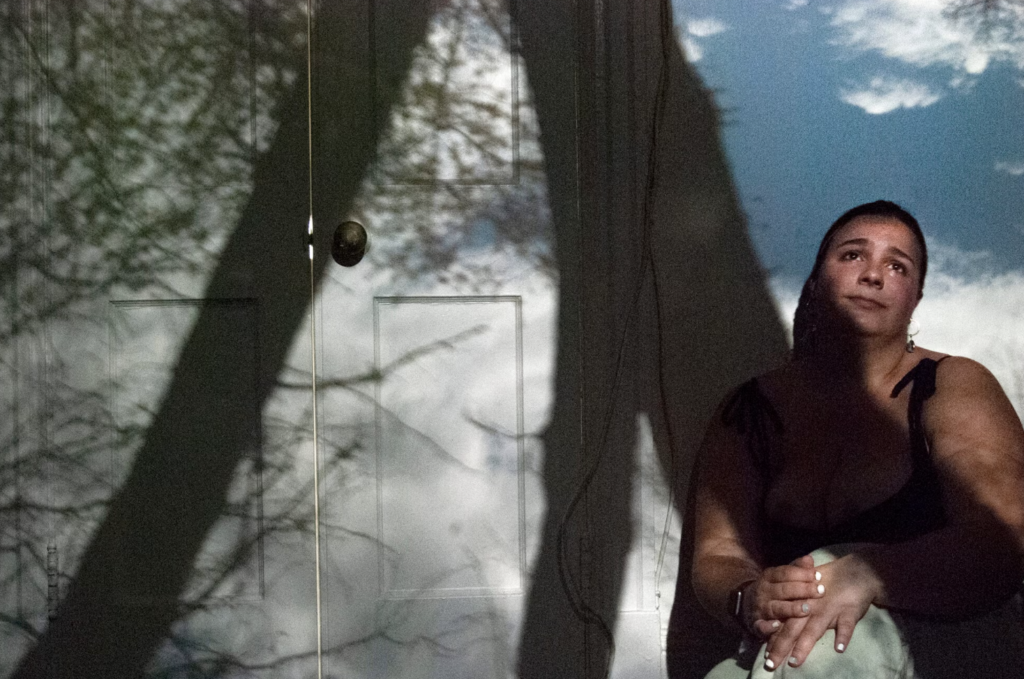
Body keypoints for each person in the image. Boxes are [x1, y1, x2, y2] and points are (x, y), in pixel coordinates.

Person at [689, 201, 1024, 678]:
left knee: (823, 650)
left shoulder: (949, 382)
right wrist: (750, 595)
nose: (873, 275)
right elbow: (717, 554)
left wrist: (869, 573)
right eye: (852, 256)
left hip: (958, 635)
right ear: (815, 279)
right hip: (801, 646)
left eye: (897, 265)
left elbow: (1003, 539)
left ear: (915, 298)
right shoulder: (749, 411)